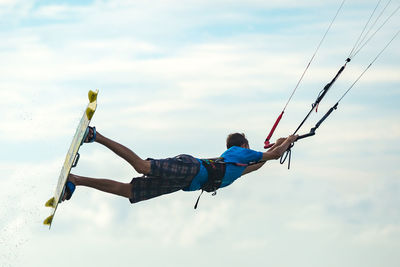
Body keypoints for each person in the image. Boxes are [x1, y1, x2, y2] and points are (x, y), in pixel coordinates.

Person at [62, 126, 298, 207]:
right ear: (243, 145)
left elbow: (263, 162)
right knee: (142, 166)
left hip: (185, 182)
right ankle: (95, 135)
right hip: (191, 169)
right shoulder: (239, 152)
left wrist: (281, 143)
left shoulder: (238, 166)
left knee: (129, 192)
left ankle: (76, 180)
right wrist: (290, 140)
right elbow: (273, 155)